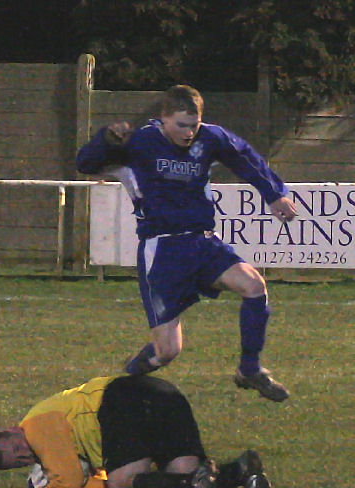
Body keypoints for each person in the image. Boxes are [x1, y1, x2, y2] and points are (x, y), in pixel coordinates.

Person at [76, 85, 297, 402]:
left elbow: (246, 158)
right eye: (181, 125)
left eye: (194, 125)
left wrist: (273, 193)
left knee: (253, 285)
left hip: (202, 243)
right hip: (162, 250)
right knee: (167, 351)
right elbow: (84, 164)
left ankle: (249, 369)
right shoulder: (138, 142)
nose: (189, 132)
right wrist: (105, 139)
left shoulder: (210, 138)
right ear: (163, 118)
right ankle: (114, 392)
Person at [0, 374, 273, 488]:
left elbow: (68, 483)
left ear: (12, 428)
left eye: (16, 446)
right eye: (18, 460)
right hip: (163, 392)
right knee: (184, 484)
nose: (24, 453)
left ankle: (191, 483)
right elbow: (93, 483)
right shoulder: (55, 430)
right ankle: (241, 471)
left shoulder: (35, 424)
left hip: (121, 400)